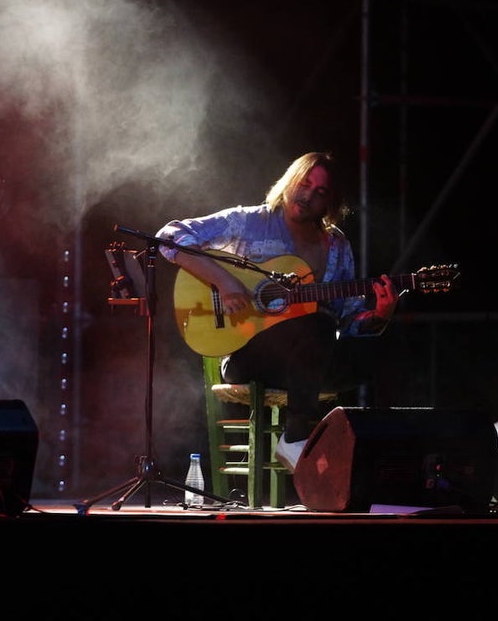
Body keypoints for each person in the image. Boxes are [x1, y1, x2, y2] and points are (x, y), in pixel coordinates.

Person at [155, 151, 398, 473]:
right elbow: (169, 236)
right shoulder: (248, 221)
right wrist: (225, 282)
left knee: (379, 349)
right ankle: (296, 437)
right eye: (304, 182)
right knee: (317, 325)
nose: (308, 194)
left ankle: (382, 466)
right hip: (248, 357)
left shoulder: (336, 245)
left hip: (309, 360)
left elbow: (349, 319)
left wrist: (381, 314)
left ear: (331, 203)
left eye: (321, 191)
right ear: (290, 179)